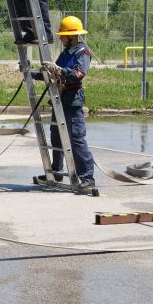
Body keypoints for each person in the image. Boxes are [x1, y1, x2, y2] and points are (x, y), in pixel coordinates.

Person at [35, 16, 95, 190]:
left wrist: (61, 70)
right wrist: (32, 72)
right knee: (56, 136)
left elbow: (79, 73)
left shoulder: (83, 51)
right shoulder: (66, 52)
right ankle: (57, 171)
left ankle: (87, 178)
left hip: (72, 100)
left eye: (63, 36)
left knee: (76, 139)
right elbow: (53, 71)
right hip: (59, 100)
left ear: (71, 36)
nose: (60, 38)